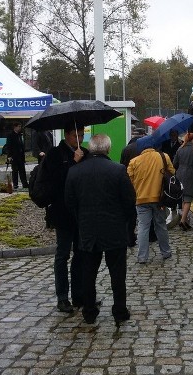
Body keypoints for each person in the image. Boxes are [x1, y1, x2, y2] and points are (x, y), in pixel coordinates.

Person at [65, 134, 136, 325]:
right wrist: (126, 223)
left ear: (91, 148)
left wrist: (81, 221)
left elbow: (69, 201)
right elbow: (130, 201)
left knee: (88, 273)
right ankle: (119, 311)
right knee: (117, 275)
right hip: (114, 231)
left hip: (88, 231)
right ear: (108, 149)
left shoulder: (75, 171)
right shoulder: (118, 170)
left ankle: (89, 311)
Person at [35, 126, 86, 313]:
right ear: (67, 135)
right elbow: (56, 182)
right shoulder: (55, 154)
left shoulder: (84, 152)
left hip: (80, 213)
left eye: (82, 135)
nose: (79, 139)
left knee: (81, 255)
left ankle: (79, 295)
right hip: (62, 212)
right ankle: (62, 297)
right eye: (75, 136)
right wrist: (73, 163)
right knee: (63, 255)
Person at [128, 142, 174, 263]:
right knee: (161, 225)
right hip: (159, 199)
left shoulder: (134, 161)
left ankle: (142, 257)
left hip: (141, 199)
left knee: (143, 227)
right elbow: (172, 173)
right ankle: (166, 252)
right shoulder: (164, 157)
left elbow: (129, 180)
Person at [173, 130, 193, 231]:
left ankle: (185, 220)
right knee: (188, 198)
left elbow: (174, 163)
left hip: (180, 174)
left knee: (182, 197)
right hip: (190, 175)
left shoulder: (180, 149)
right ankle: (183, 220)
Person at [5, 122, 29, 188]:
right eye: (19, 126)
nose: (20, 128)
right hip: (14, 156)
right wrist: (9, 156)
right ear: (15, 127)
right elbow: (8, 146)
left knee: (22, 170)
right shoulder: (10, 135)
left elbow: (21, 145)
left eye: (20, 126)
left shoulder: (19, 135)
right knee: (15, 171)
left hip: (21, 156)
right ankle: (15, 184)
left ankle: (25, 183)